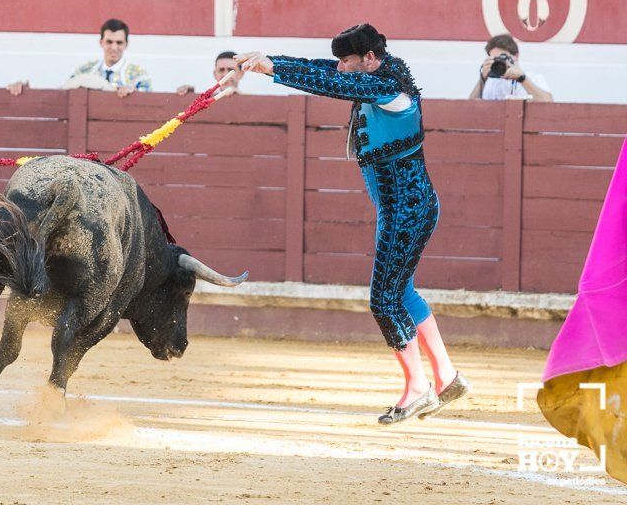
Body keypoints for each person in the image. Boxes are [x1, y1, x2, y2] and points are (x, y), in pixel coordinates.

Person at [236, 23, 470, 425]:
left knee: (384, 301)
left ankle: (418, 388)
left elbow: (331, 84)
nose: (341, 68)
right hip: (404, 208)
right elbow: (323, 70)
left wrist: (273, 69)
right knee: (403, 293)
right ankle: (446, 378)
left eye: (347, 60)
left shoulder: (388, 88)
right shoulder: (375, 74)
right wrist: (268, 61)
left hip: (405, 211)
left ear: (370, 59)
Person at [8, 18, 151, 99]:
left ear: (126, 44)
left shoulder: (139, 76)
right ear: (101, 42)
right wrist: (26, 93)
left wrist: (134, 95)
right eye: (109, 42)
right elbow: (62, 96)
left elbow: (148, 107)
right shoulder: (85, 70)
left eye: (119, 42)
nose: (114, 47)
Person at [469, 34, 552, 102]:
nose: (499, 62)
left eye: (502, 57)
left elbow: (548, 102)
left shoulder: (534, 78)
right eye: (495, 59)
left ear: (516, 56)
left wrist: (522, 79)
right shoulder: (490, 82)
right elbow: (469, 107)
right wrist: (482, 79)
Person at [177, 51, 244, 96]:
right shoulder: (205, 100)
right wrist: (189, 96)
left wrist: (242, 97)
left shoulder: (252, 103)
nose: (225, 75)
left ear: (241, 74)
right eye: (221, 70)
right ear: (215, 74)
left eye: (231, 70)